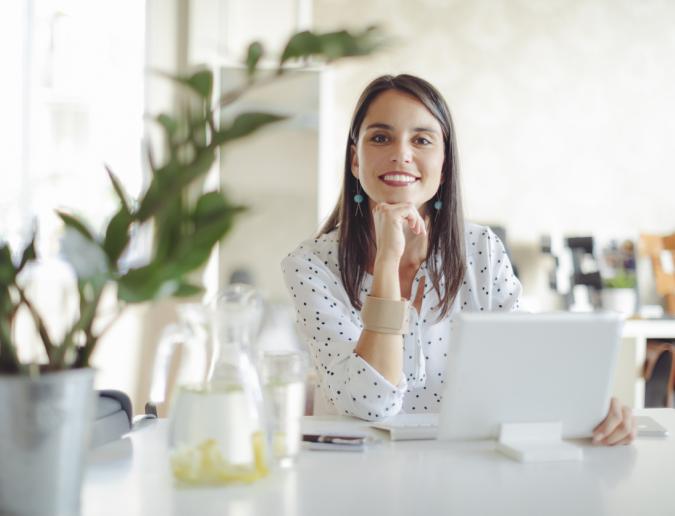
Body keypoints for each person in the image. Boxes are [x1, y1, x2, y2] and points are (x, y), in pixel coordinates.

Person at [281, 74, 635, 445]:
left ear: (445, 164)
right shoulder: (309, 265)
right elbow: (371, 402)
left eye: (421, 140)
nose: (401, 153)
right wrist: (388, 260)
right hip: (353, 477)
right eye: (381, 137)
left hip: (467, 469)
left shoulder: (482, 249)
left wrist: (596, 410)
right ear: (355, 160)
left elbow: (525, 368)